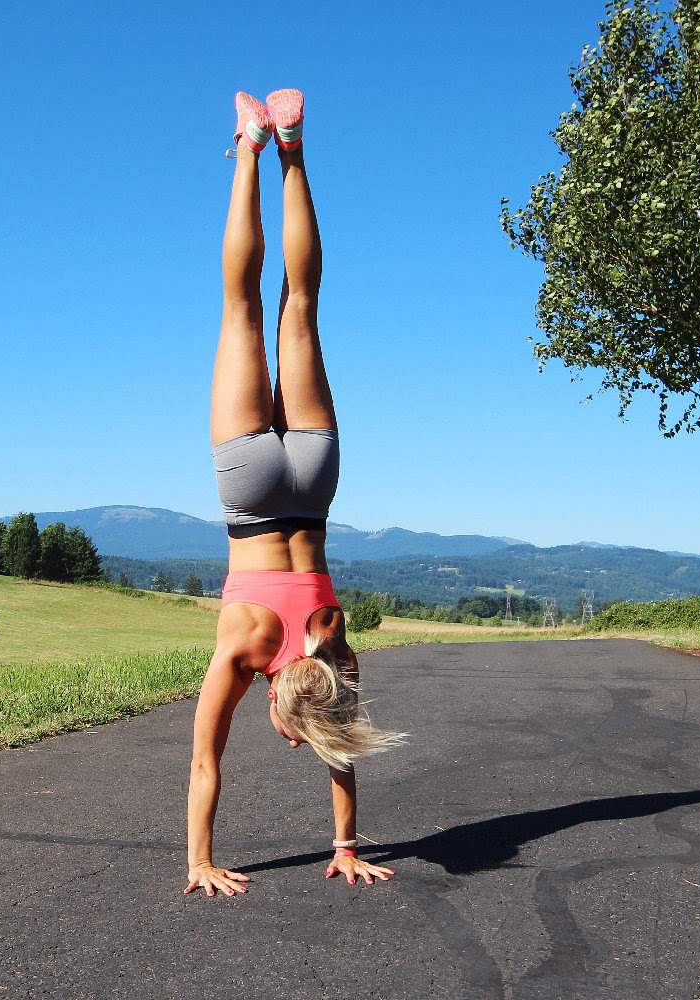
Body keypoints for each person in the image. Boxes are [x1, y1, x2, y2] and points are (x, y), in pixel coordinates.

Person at [185, 90, 406, 898]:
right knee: (243, 309)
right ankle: (246, 145)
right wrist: (197, 859)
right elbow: (206, 762)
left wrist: (347, 841)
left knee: (301, 310)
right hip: (248, 489)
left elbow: (342, 748)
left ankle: (291, 147)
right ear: (277, 697)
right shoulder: (243, 650)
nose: (287, 740)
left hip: (311, 485)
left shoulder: (334, 645)